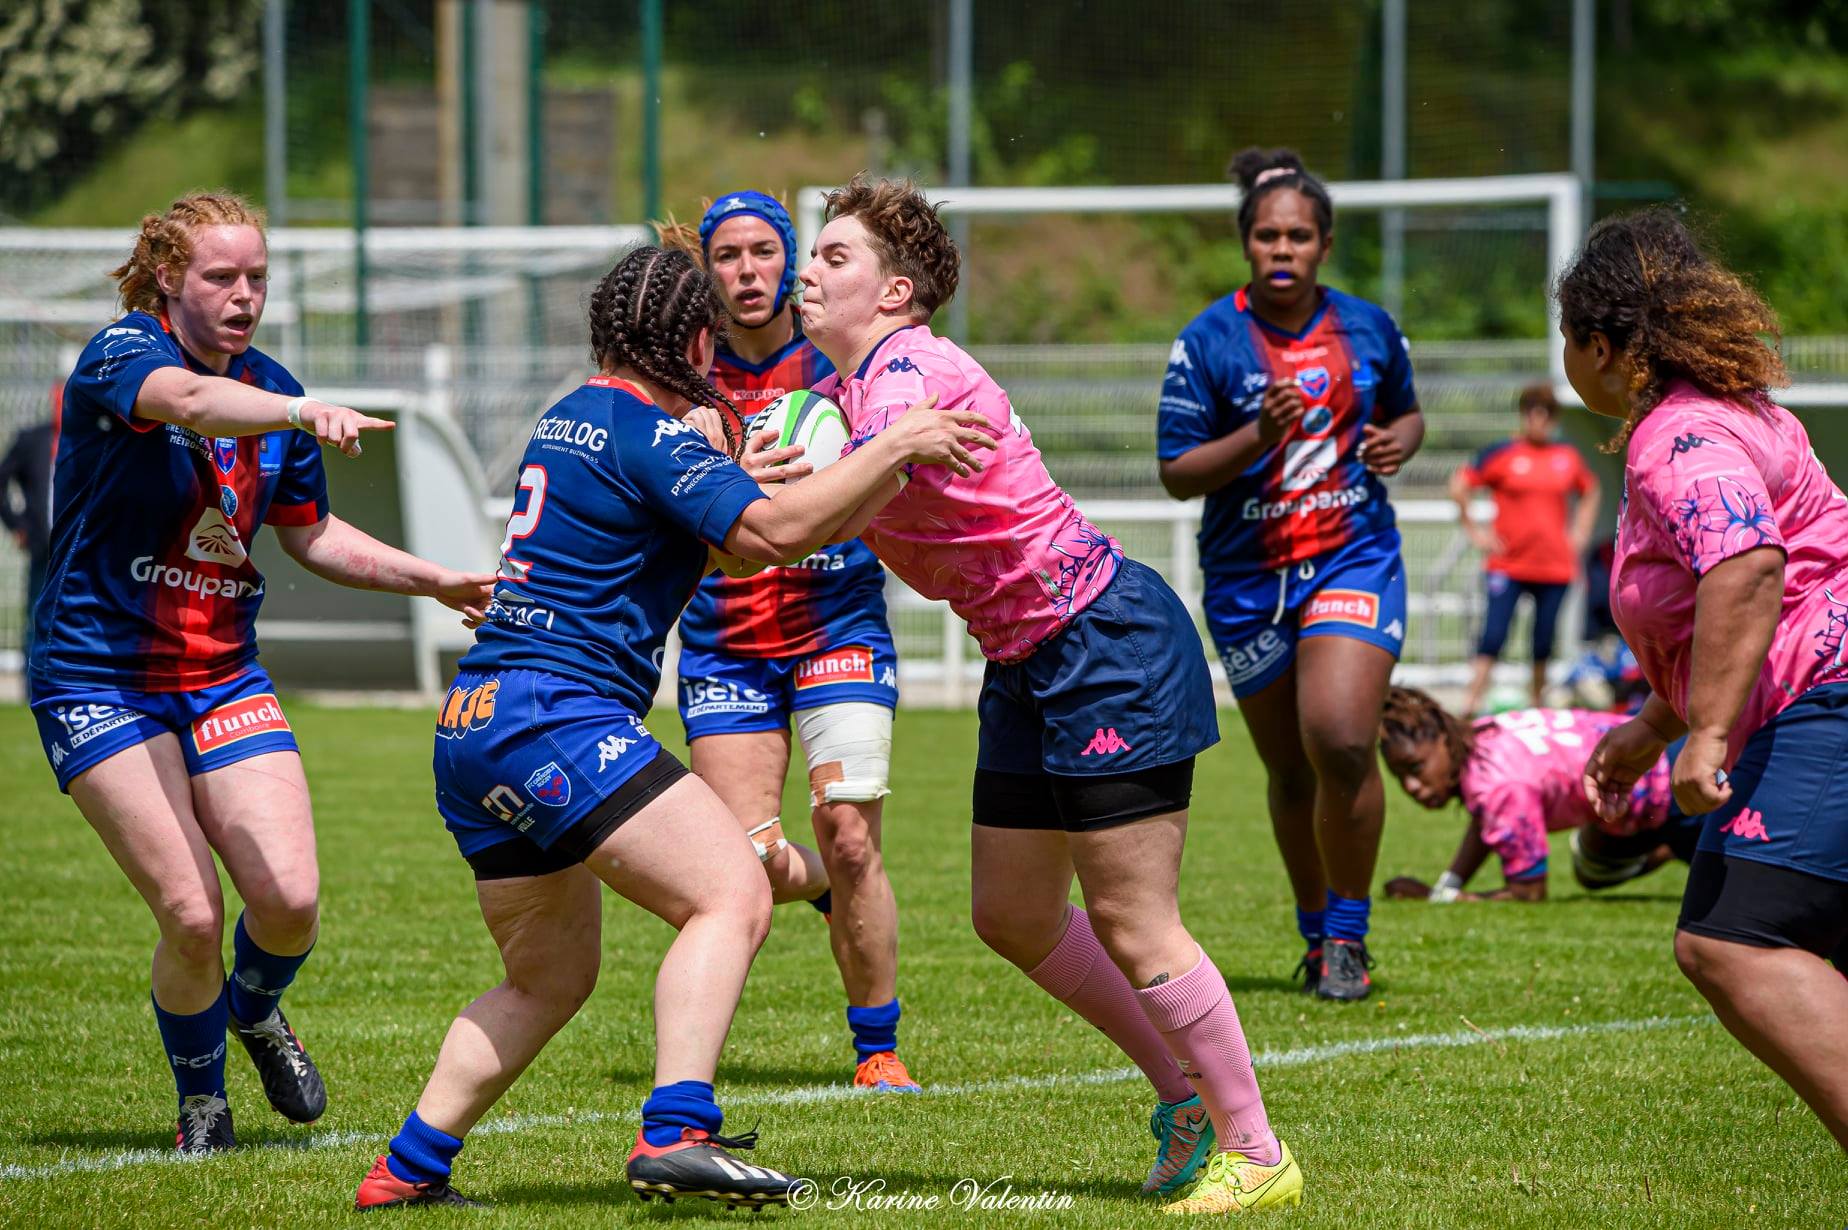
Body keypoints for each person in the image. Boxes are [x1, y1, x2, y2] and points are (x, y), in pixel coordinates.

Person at [354, 245, 995, 1211]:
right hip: (557, 717)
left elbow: (728, 554)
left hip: (476, 721)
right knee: (732, 891)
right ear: (696, 336)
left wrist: (737, 470)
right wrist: (893, 446)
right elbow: (771, 538)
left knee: (547, 976)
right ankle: (678, 1131)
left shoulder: (573, 414)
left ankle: (406, 1166)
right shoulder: (655, 435)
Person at [799, 174, 1302, 1213]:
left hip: (1103, 640)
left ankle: (1259, 1151)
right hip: (1030, 656)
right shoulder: (855, 394)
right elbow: (830, 499)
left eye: (834, 256)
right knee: (1015, 913)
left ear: (895, 293)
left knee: (1134, 918)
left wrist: (757, 491)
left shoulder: (904, 379)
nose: (810, 270)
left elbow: (826, 517)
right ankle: (1185, 1096)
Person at [29, 191, 496, 1153]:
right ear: (168, 276)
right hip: (99, 674)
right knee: (193, 910)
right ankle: (202, 1102)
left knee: (286, 903)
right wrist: (299, 407)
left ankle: (252, 1011)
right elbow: (194, 403)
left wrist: (436, 580)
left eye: (257, 278)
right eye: (221, 278)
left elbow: (311, 535)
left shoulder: (271, 384)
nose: (245, 297)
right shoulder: (125, 355)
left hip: (221, 673)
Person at [1570, 207, 1848, 1153]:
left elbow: (1749, 570)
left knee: (1735, 941)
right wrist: (1654, 727)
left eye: (1569, 338)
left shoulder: (1676, 436)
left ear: (1602, 346)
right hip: (1825, 688)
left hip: (1832, 695)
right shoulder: (1738, 412)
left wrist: (1711, 736)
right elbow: (1726, 605)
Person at [660, 192, 919, 1093]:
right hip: (726, 640)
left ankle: (877, 1049)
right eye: (727, 255)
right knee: (748, 861)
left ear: (791, 261)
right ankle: (817, 891)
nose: (747, 271)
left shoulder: (842, 365)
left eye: (764, 252)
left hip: (836, 623)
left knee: (849, 837)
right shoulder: (686, 379)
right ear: (708, 270)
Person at [1157, 147, 1426, 1002]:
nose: (1284, 249)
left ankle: (1349, 935)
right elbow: (1177, 470)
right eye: (1268, 235)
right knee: (1292, 770)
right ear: (1247, 243)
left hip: (1352, 554)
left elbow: (1407, 414)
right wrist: (1255, 441)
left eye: (1299, 237)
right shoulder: (1207, 341)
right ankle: (1316, 937)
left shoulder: (1369, 328)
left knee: (1342, 739)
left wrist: (1399, 443)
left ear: (1325, 243)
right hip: (1247, 578)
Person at [1375, 686, 1695, 902]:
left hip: (1672, 793)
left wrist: (1455, 899)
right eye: (1399, 776)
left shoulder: (1497, 786)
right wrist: (1445, 889)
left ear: (1443, 739)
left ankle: (1673, 843)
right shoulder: (1483, 735)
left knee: (1727, 894)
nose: (1411, 787)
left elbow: (1529, 891)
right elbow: (1484, 823)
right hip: (1658, 755)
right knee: (1593, 870)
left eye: (1415, 768)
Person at [1452, 383, 1600, 715]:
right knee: (1493, 634)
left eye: (1546, 412)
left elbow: (1590, 490)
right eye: (1533, 410)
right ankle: (1470, 703)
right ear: (1524, 414)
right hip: (1508, 564)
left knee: (1543, 640)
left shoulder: (1566, 457)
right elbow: (1460, 484)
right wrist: (1476, 531)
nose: (1539, 418)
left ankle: (1537, 706)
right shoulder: (1502, 453)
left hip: (1553, 566)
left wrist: (1580, 532)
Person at [0, 411, 53, 652]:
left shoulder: (97, 435)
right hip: (43, 546)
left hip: (82, 548)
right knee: (36, 616)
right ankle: (32, 687)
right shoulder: (35, 439)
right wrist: (17, 525)